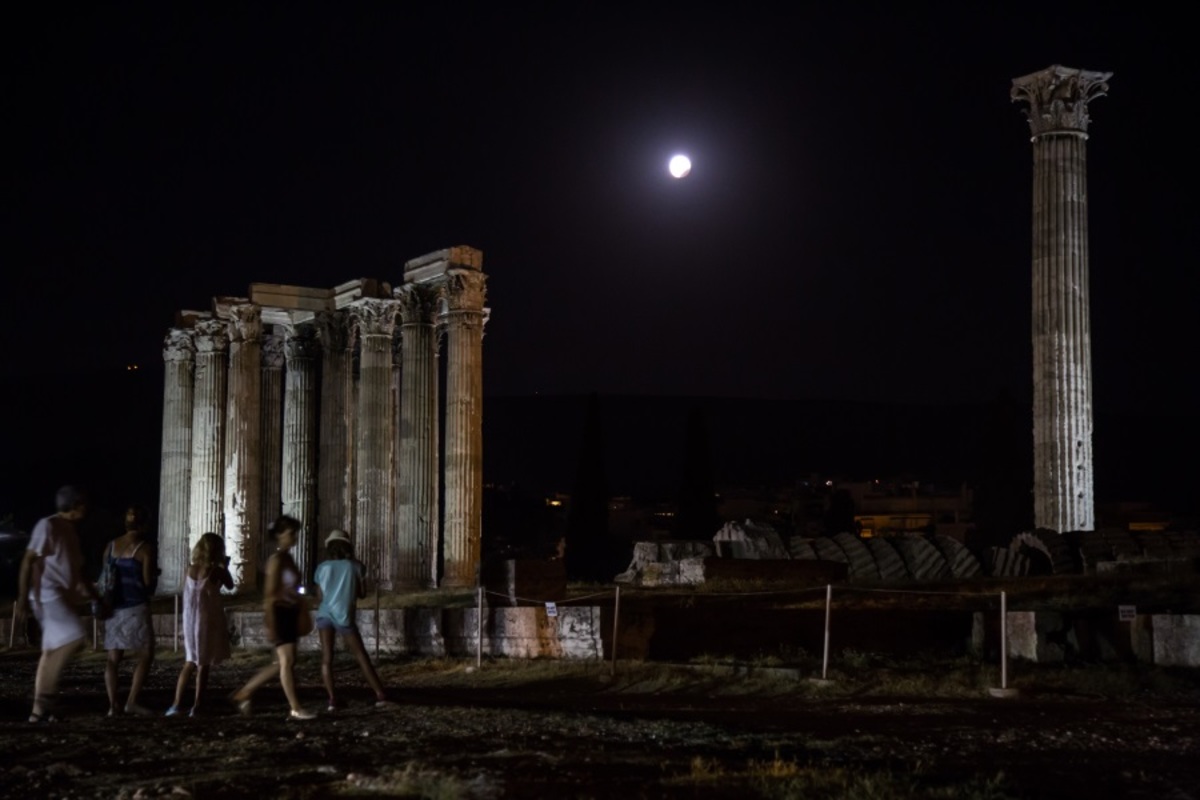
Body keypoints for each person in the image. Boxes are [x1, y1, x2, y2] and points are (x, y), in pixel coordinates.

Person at [15, 486, 104, 722]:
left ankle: (38, 711)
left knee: (50, 652)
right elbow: (28, 561)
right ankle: (47, 698)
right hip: (47, 595)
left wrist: (96, 598)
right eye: (83, 503)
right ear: (74, 505)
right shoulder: (48, 525)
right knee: (75, 638)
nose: (87, 507)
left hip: (61, 597)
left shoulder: (70, 532)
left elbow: (80, 572)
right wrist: (23, 598)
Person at [230, 515, 316, 720]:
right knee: (287, 661)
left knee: (280, 663)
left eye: (295, 532)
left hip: (290, 611)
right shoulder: (276, 560)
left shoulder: (288, 558)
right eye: (291, 533)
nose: (295, 536)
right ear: (279, 535)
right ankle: (295, 708)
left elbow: (292, 589)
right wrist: (270, 622)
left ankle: (244, 693)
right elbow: (269, 595)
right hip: (280, 612)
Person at [312, 529, 390, 710]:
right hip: (344, 616)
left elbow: (319, 596)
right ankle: (380, 694)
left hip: (324, 614)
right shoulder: (356, 566)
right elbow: (362, 594)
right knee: (361, 656)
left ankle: (332, 700)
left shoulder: (322, 568)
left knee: (326, 659)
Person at [165, 532, 233, 717]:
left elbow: (195, 591)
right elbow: (230, 585)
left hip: (189, 618)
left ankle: (176, 705)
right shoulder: (215, 570)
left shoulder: (190, 568)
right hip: (206, 619)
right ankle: (197, 705)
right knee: (203, 664)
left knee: (189, 662)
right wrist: (224, 566)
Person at [101, 504, 158, 716]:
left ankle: (112, 705)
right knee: (145, 654)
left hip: (113, 607)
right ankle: (132, 701)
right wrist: (154, 576)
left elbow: (106, 577)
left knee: (113, 658)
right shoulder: (144, 548)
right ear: (144, 524)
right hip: (136, 606)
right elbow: (146, 582)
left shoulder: (110, 546)